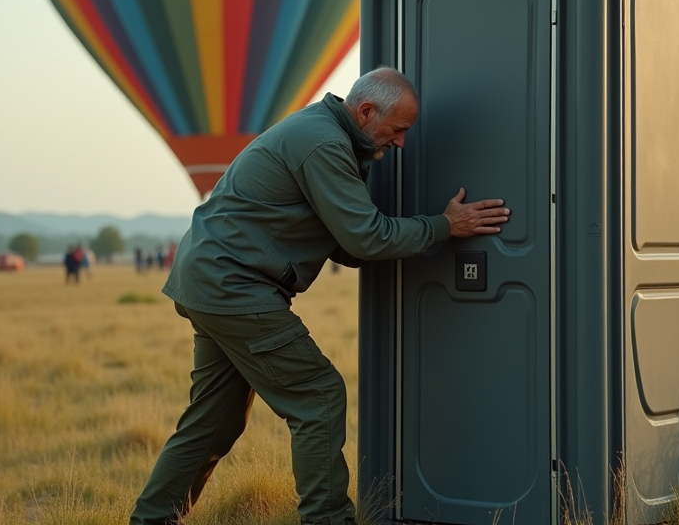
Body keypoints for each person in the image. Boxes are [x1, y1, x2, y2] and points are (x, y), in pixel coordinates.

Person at [130, 67, 511, 525]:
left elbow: (345, 242)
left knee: (215, 419)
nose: (402, 143)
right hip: (234, 286)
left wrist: (405, 240)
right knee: (320, 397)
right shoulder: (324, 143)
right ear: (366, 112)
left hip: (209, 282)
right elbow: (365, 239)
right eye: (399, 130)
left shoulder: (325, 134)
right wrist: (446, 225)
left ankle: (151, 519)